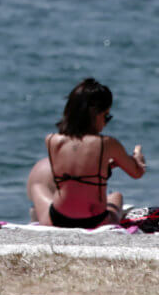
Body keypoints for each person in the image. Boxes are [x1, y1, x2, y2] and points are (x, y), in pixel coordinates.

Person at [31, 78, 146, 228]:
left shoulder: (52, 141)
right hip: (95, 220)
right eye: (106, 116)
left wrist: (108, 167)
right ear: (96, 114)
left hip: (59, 218)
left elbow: (75, 173)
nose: (105, 123)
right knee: (116, 196)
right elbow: (136, 173)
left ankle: (36, 217)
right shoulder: (107, 143)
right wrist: (138, 159)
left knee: (38, 187)